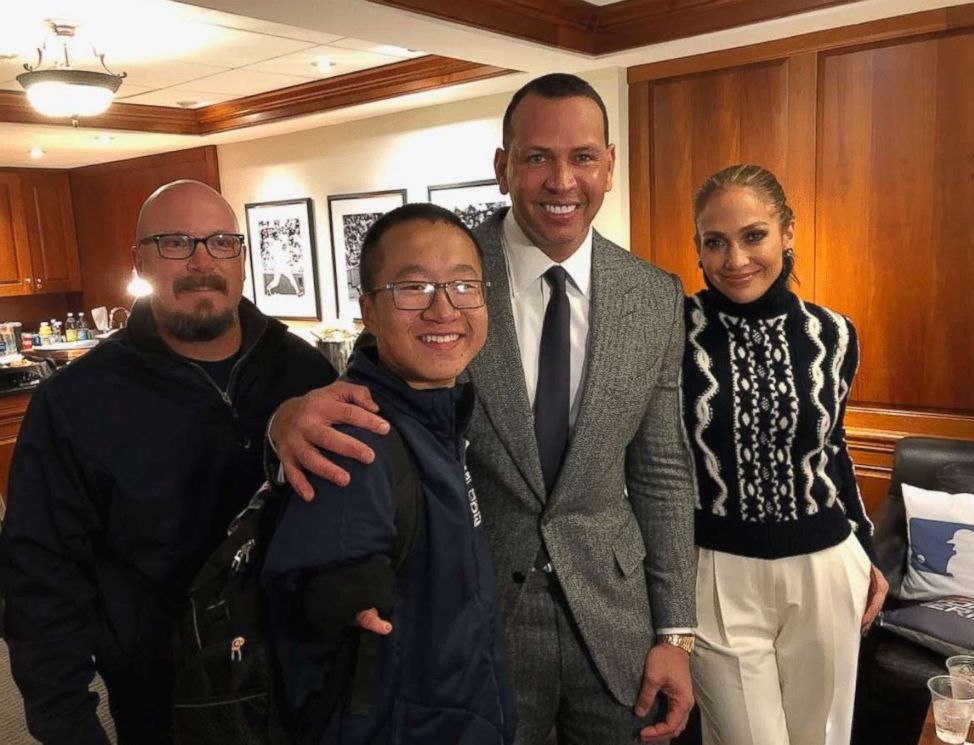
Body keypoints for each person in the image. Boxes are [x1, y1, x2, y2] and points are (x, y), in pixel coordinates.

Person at [269, 73, 698, 744]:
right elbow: (376, 381)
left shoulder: (655, 296)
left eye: (583, 156)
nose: (562, 180)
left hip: (615, 621)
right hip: (475, 616)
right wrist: (286, 412)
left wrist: (677, 631)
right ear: (503, 167)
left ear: (609, 167)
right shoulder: (449, 275)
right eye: (537, 157)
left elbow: (663, 472)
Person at [0, 180, 337, 745]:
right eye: (176, 242)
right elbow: (39, 577)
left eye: (221, 241)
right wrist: (66, 723)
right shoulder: (76, 400)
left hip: (307, 676)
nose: (203, 261)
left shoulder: (303, 372)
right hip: (165, 697)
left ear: (242, 257)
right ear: (139, 260)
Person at [262, 203, 515, 744]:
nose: (444, 309)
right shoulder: (354, 437)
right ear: (369, 312)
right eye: (413, 289)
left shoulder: (441, 419)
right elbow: (326, 656)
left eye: (464, 285)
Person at [682, 164, 889, 745]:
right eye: (714, 242)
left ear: (787, 233)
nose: (735, 258)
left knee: (824, 735)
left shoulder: (836, 334)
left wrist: (867, 551)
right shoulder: (673, 330)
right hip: (715, 571)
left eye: (754, 236)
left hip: (825, 566)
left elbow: (836, 449)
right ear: (698, 248)